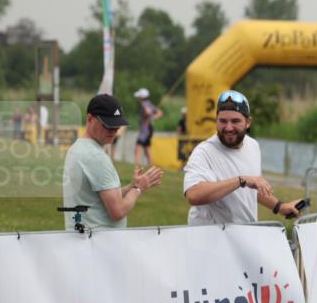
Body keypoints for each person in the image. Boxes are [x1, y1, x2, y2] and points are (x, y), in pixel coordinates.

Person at [183, 90, 303, 225]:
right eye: (223, 121)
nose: (228, 128)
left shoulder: (253, 146)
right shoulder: (203, 152)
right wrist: (241, 180)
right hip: (210, 240)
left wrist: (280, 207)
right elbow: (193, 195)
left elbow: (251, 191)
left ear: (248, 122)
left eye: (235, 121)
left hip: (244, 235)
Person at [62, 94, 163, 230]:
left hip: (85, 240)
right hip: (100, 244)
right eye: (108, 125)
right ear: (90, 118)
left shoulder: (77, 148)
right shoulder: (95, 157)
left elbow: (102, 197)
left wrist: (133, 186)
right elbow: (118, 211)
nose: (114, 131)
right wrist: (138, 189)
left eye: (117, 126)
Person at [133, 88, 164, 167]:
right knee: (147, 149)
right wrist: (152, 117)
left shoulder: (144, 104)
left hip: (145, 129)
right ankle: (151, 166)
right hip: (149, 128)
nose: (138, 98)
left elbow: (148, 112)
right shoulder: (149, 103)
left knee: (138, 147)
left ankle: (136, 165)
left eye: (139, 96)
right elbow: (160, 113)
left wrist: (149, 116)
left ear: (142, 97)